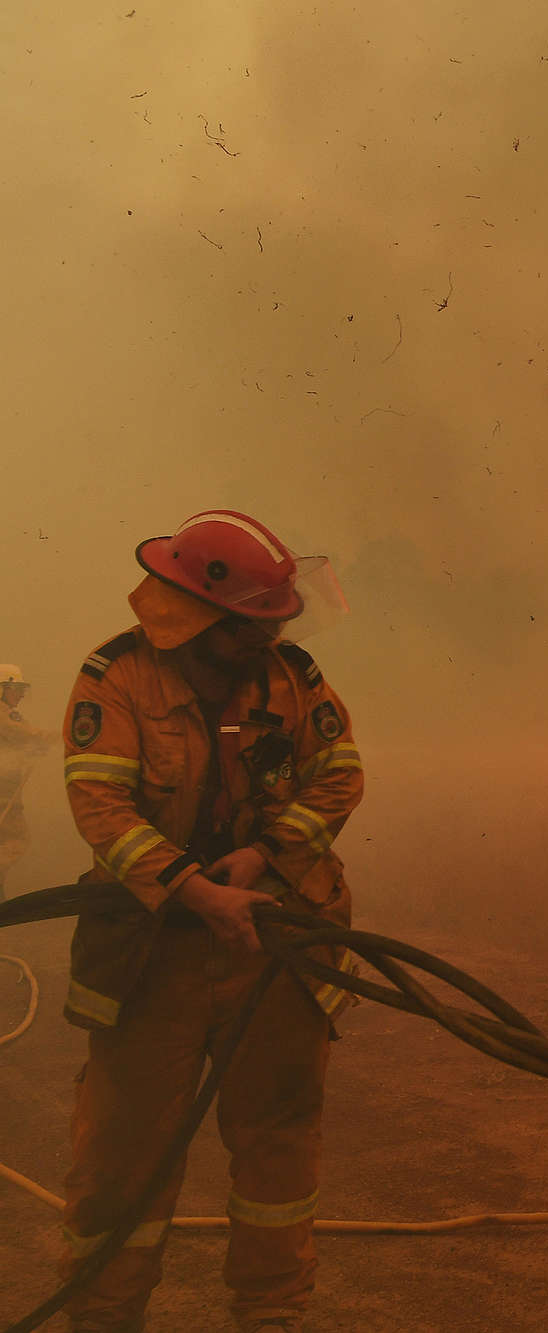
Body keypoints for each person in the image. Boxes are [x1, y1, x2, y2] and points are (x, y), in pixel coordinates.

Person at [58, 510, 363, 1333]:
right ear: (199, 619)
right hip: (152, 956)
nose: (275, 637)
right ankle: (102, 1319)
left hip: (271, 949)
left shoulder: (292, 679)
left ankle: (271, 1318)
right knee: (124, 1159)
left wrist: (262, 857)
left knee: (278, 1146)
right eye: (257, 625)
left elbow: (337, 777)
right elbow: (102, 806)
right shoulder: (116, 679)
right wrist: (196, 889)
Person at [0, 664, 53, 896]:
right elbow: (22, 733)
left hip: (6, 794)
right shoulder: (3, 713)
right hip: (3, 797)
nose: (21, 694)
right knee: (16, 840)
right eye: (16, 688)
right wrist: (54, 737)